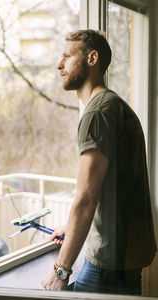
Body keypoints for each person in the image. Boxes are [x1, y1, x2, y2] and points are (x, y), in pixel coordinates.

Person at [41, 29, 157, 295]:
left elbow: (86, 197)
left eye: (67, 57)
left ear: (92, 59)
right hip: (123, 256)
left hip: (108, 260)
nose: (59, 65)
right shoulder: (113, 105)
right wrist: (70, 228)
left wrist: (61, 269)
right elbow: (110, 188)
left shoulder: (98, 112)